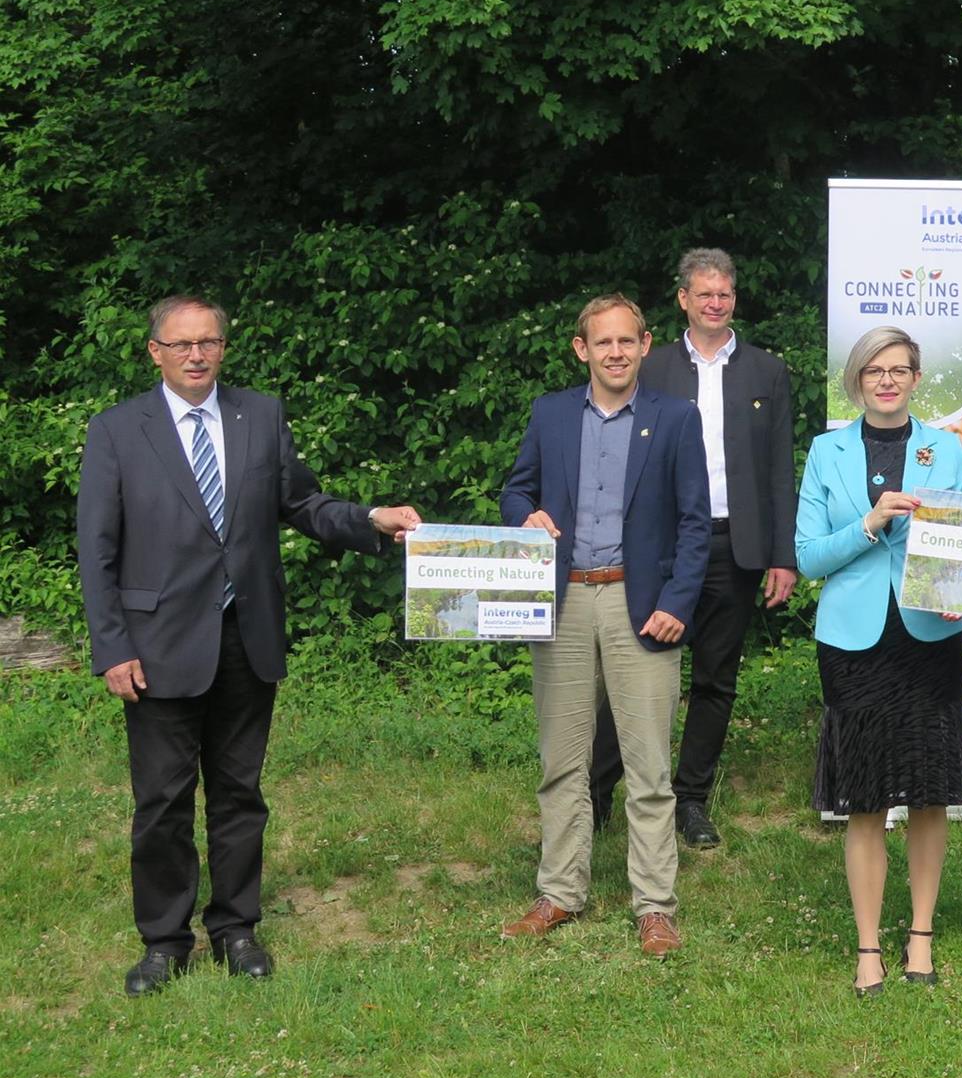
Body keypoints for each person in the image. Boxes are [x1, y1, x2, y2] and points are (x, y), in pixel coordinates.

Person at [77, 296, 420, 997]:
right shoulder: (116, 431)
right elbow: (97, 548)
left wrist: (370, 519)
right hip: (157, 645)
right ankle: (164, 942)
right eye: (181, 344)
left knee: (239, 794)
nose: (196, 355)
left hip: (246, 639)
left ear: (224, 348)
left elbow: (303, 504)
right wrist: (112, 647)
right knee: (163, 801)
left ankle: (236, 927)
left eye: (209, 342)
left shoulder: (259, 415)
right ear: (154, 352)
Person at [499, 294, 710, 956]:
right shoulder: (551, 414)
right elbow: (516, 488)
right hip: (563, 601)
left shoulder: (675, 418)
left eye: (627, 340)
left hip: (640, 604)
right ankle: (560, 889)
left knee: (648, 766)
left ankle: (654, 904)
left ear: (646, 345)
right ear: (580, 349)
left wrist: (677, 601)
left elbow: (695, 521)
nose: (615, 351)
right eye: (603, 341)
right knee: (562, 761)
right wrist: (523, 516)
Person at [590, 248, 798, 849]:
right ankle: (598, 794)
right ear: (683, 299)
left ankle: (691, 800)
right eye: (704, 293)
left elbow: (779, 469)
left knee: (716, 679)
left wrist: (781, 554)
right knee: (629, 673)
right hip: (657, 543)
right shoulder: (649, 367)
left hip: (735, 543)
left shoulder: (767, 371)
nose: (715, 303)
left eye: (725, 294)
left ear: (735, 299)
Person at [794, 326, 962, 996]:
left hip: (931, 639)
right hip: (853, 644)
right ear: (857, 379)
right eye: (875, 369)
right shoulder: (826, 452)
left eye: (900, 368)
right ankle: (868, 944)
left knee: (930, 790)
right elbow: (809, 556)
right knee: (865, 796)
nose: (888, 379)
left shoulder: (947, 449)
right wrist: (868, 523)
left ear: (917, 378)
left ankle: (920, 936)